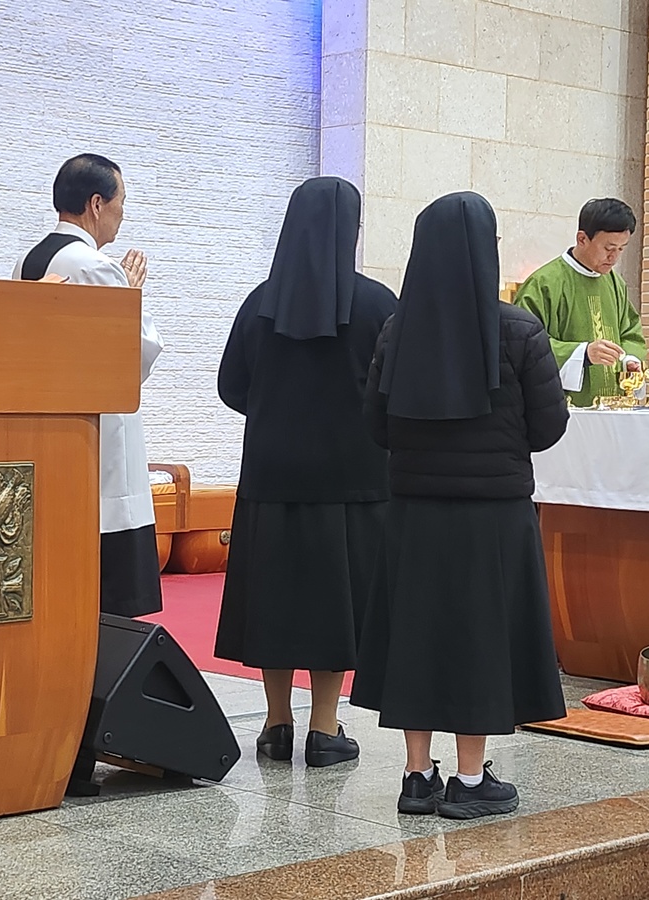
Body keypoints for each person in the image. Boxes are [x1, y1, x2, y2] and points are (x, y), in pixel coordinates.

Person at [352, 192, 570, 819]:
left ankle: (416, 776)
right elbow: (548, 427)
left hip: (414, 514)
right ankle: (471, 781)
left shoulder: (398, 330)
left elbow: (376, 426)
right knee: (480, 639)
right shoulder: (519, 330)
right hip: (493, 519)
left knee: (417, 636)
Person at [214, 177, 397, 767]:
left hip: (272, 475)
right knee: (335, 602)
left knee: (275, 597)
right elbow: (395, 390)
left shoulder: (260, 302)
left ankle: (276, 725)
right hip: (354, 480)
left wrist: (278, 413)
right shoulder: (377, 304)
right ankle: (325, 727)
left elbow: (231, 386)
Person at [13, 154, 164, 617]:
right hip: (99, 437)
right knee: (107, 591)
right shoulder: (96, 267)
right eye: (121, 202)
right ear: (97, 204)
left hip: (47, 429)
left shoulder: (29, 260)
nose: (123, 214)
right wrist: (131, 295)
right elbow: (134, 358)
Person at [513, 197, 646, 407]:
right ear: (582, 238)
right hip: (562, 410)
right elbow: (523, 345)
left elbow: (631, 333)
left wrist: (629, 361)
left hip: (613, 410)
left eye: (621, 249)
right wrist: (582, 354)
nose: (614, 257)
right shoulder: (544, 283)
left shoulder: (615, 283)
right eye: (608, 248)